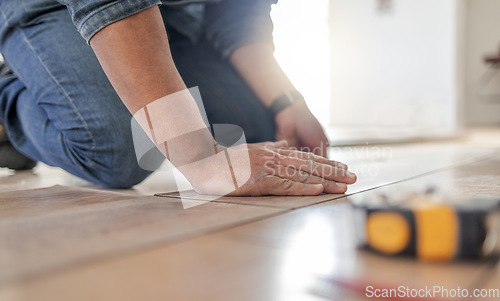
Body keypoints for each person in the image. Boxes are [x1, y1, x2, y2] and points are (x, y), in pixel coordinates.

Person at [0, 0, 356, 195]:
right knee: (118, 150)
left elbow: (239, 13)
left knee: (256, 131)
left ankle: (46, 104)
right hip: (56, 5)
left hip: (174, 18)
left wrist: (286, 102)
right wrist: (202, 158)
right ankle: (10, 97)